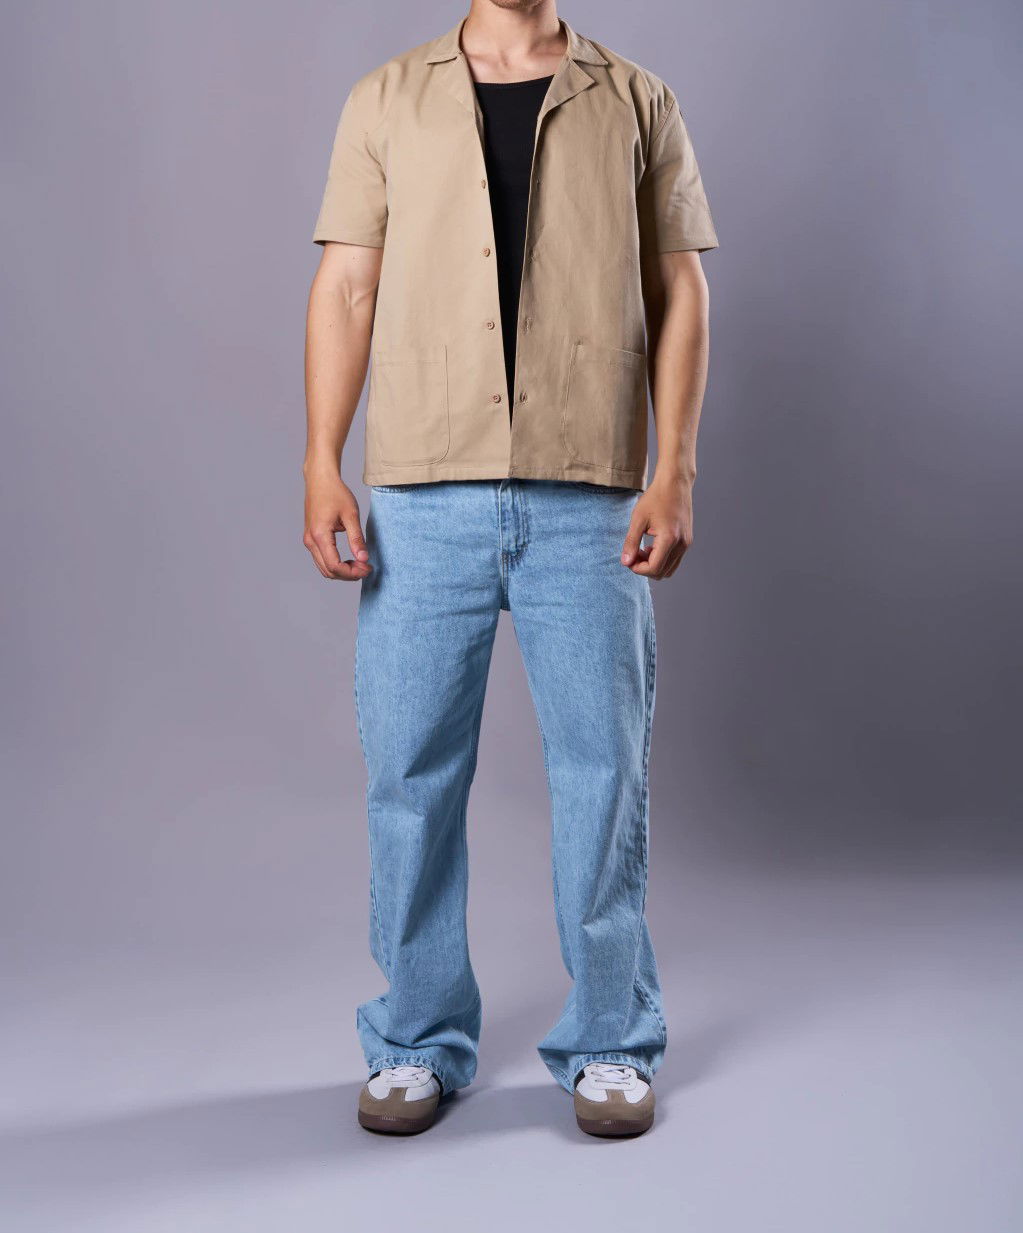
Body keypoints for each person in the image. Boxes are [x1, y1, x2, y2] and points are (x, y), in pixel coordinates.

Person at [303, 0, 717, 1138]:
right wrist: (320, 459)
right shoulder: (386, 99)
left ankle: (611, 1039)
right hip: (420, 492)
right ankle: (415, 1037)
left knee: (603, 772)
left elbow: (680, 287)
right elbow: (346, 285)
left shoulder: (637, 100)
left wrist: (674, 471)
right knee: (409, 774)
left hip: (589, 492)